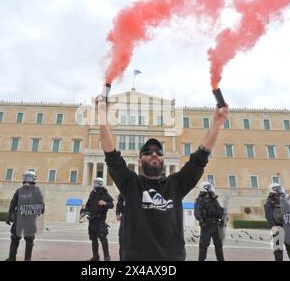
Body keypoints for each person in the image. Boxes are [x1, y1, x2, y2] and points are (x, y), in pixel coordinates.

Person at [95, 94, 228, 261]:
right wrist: (101, 116)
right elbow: (112, 157)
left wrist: (216, 123)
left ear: (163, 159)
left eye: (158, 151)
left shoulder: (176, 184)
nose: (154, 154)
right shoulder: (131, 184)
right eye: (148, 151)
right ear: (139, 160)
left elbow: (199, 159)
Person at [5, 170, 44, 261]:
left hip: (22, 218)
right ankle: (18, 258)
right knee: (22, 239)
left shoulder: (21, 191)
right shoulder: (35, 192)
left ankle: (13, 258)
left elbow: (13, 204)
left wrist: (9, 216)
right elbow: (13, 204)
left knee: (19, 239)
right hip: (25, 219)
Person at [80, 177, 114, 261]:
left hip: (100, 220)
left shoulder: (105, 194)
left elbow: (111, 205)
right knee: (93, 238)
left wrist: (105, 203)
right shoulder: (92, 194)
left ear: (100, 183)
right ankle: (96, 256)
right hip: (92, 219)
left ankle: (107, 257)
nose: (94, 184)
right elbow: (88, 205)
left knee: (103, 238)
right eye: (94, 182)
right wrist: (84, 212)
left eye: (96, 182)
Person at [264, 183, 290, 261]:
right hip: (277, 227)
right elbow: (268, 215)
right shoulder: (269, 201)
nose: (280, 190)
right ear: (273, 190)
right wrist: (273, 226)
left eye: (280, 188)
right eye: (278, 188)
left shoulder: (284, 200)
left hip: (287, 227)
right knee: (278, 250)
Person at [194, 181, 225, 261]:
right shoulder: (200, 200)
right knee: (203, 246)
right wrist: (201, 221)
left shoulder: (214, 199)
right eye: (210, 188)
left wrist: (222, 214)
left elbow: (219, 210)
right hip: (206, 225)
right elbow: (197, 212)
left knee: (219, 246)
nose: (211, 189)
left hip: (215, 226)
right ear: (205, 188)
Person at [115, 193, 125, 261]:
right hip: (125, 217)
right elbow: (119, 204)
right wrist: (118, 213)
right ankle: (121, 257)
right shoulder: (123, 191)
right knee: (122, 237)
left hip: (137, 218)